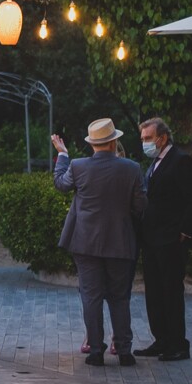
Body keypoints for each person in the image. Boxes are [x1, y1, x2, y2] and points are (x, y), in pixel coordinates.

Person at [52, 120, 148, 367]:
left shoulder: (78, 166)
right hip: (120, 242)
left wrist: (62, 155)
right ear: (114, 141)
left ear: (92, 143)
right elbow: (141, 207)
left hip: (85, 243)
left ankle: (96, 350)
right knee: (120, 297)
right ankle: (124, 351)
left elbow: (61, 184)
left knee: (91, 297)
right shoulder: (132, 168)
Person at [135, 117, 192, 361]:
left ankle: (177, 344)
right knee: (154, 292)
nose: (144, 143)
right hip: (152, 239)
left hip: (170, 239)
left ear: (162, 138)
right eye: (143, 139)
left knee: (171, 292)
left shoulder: (180, 160)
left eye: (148, 138)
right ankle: (161, 339)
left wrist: (184, 232)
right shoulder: (155, 163)